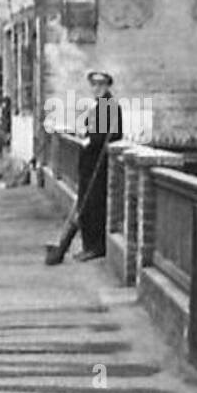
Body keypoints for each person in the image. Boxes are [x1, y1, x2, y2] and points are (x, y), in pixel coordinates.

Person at [74, 70, 123, 260]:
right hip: (89, 163)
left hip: (99, 164)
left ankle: (97, 246)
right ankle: (88, 245)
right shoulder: (98, 107)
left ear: (108, 86)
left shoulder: (110, 107)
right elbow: (91, 130)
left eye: (101, 85)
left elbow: (110, 136)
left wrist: (90, 139)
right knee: (85, 204)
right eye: (94, 85)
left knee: (95, 204)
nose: (97, 89)